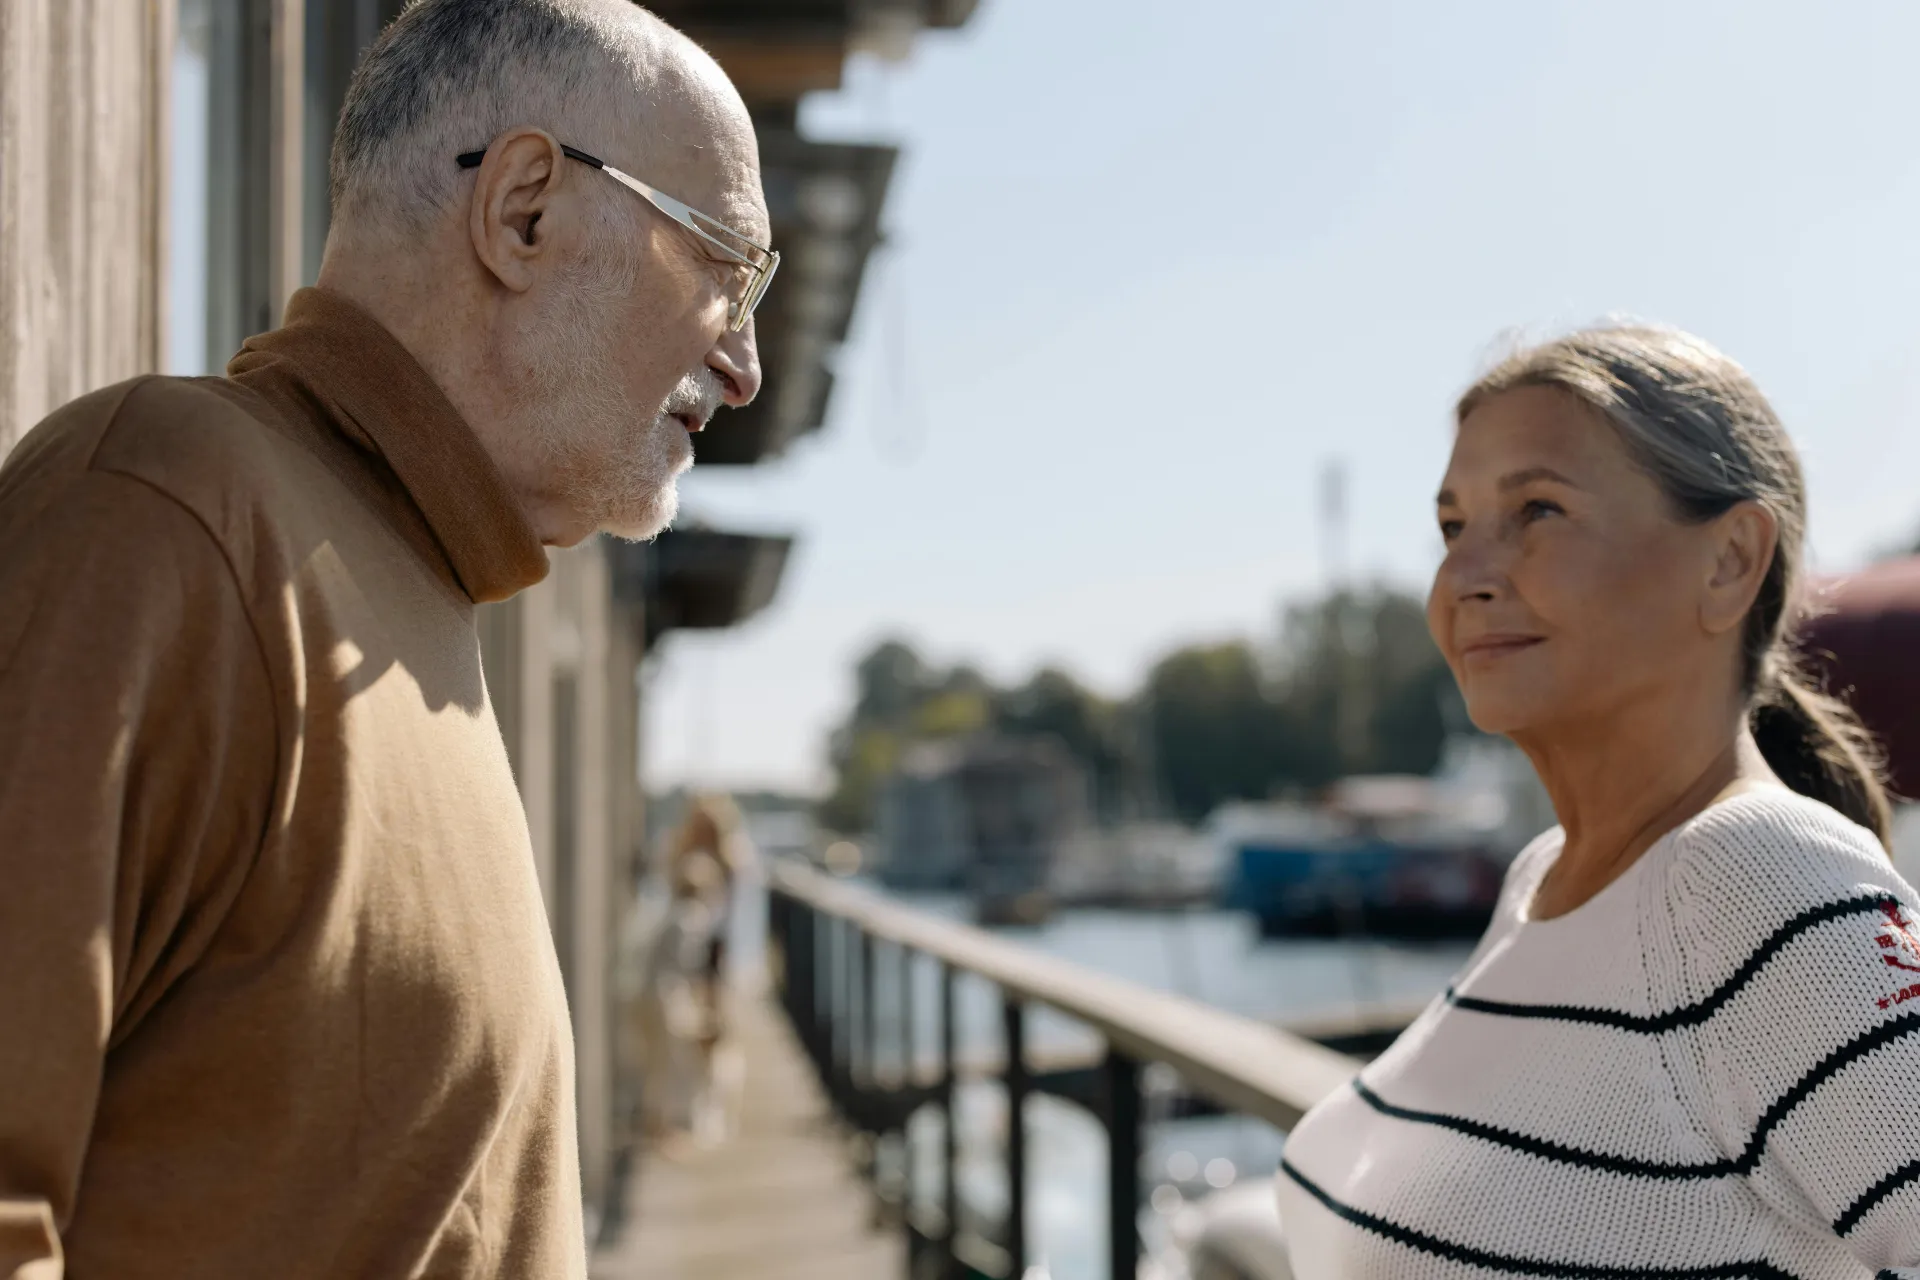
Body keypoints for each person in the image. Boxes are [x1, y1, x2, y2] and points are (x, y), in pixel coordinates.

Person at [0, 1, 769, 1276]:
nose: (742, 364)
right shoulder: (162, 514)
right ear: (524, 208)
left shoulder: (404, 587)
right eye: (725, 268)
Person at [1278, 327, 1920, 1277]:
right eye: (1453, 527)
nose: (1463, 578)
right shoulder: (1547, 875)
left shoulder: (1764, 875)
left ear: (1730, 561)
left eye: (1537, 510)